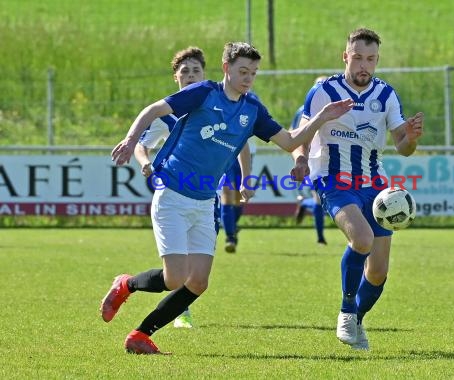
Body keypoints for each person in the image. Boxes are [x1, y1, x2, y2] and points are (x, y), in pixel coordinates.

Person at [105, 41, 354, 354]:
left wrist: (321, 117)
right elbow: (154, 110)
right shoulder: (203, 93)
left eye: (253, 72)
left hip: (206, 201)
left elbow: (290, 142)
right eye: (242, 71)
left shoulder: (252, 110)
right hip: (172, 193)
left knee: (197, 282)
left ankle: (140, 335)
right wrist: (130, 141)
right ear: (226, 69)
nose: (248, 78)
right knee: (174, 278)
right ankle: (126, 284)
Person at [290, 28, 424, 351]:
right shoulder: (324, 91)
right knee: (361, 239)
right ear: (345, 56)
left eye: (371, 59)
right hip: (333, 181)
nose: (364, 65)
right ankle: (347, 311)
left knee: (377, 272)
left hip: (375, 186)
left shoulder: (386, 95)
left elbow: (402, 147)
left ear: (377, 60)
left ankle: (357, 318)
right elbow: (302, 134)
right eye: (358, 57)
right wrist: (300, 160)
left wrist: (412, 138)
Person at [129, 46, 206, 330]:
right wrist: (144, 162)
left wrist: (243, 178)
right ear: (176, 77)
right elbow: (142, 145)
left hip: (208, 196)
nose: (190, 75)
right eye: (184, 71)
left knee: (198, 271)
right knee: (179, 266)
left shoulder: (219, 108)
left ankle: (177, 307)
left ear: (205, 75)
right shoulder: (168, 115)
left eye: (195, 70)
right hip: (176, 192)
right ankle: (180, 311)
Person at [290, 76, 329, 245]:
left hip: (329, 158)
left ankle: (304, 205)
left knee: (324, 199)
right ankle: (320, 238)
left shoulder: (333, 108)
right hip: (311, 158)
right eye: (318, 85)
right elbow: (292, 130)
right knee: (319, 199)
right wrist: (300, 154)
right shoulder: (303, 110)